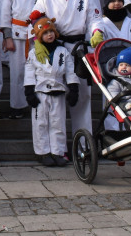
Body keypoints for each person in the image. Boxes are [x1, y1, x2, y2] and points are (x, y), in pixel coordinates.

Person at [31, 0, 101, 137]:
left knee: (83, 95)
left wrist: (96, 32)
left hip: (79, 47)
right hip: (56, 47)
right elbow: (35, 21)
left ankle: (84, 142)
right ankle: (58, 144)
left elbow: (94, 19)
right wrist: (39, 42)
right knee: (57, 95)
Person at [24, 16, 75, 167]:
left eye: (51, 32)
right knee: (41, 123)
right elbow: (29, 72)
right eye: (46, 33)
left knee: (58, 124)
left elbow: (70, 71)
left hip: (58, 91)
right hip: (40, 93)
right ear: (40, 36)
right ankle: (42, 152)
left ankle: (57, 152)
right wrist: (29, 92)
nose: (49, 35)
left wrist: (74, 88)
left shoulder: (62, 51)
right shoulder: (34, 53)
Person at [0, 0, 42, 118]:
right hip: (16, 36)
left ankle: (35, 104)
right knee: (17, 73)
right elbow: (5, 16)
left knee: (36, 71)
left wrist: (41, 36)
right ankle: (16, 106)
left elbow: (44, 13)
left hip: (35, 36)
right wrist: (7, 37)